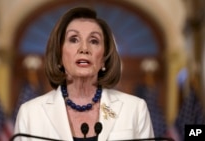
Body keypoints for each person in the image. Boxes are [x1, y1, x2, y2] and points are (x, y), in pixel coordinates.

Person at [14, 7, 154, 141]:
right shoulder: (30, 114)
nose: (84, 48)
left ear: (104, 58)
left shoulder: (134, 109)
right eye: (74, 39)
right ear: (59, 55)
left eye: (94, 41)